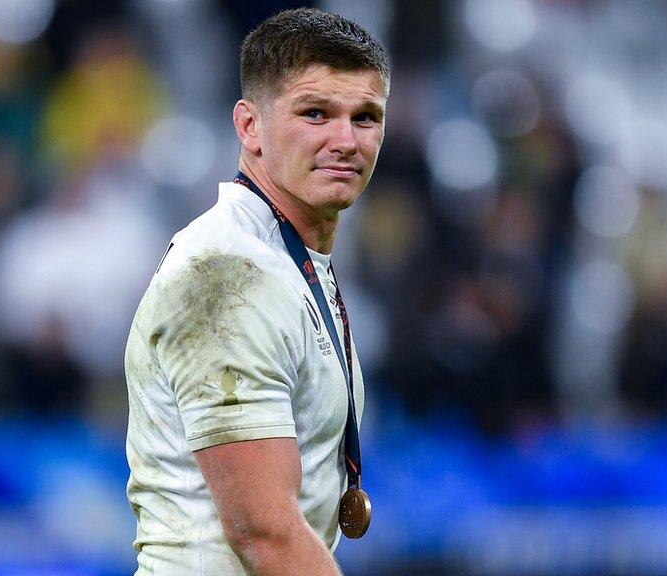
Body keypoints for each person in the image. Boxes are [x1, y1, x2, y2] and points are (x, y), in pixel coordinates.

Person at [124, 8, 389, 575]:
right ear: (249, 128)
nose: (345, 140)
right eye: (315, 113)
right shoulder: (226, 274)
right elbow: (264, 534)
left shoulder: (286, 257)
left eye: (365, 117)